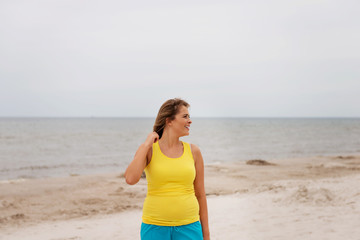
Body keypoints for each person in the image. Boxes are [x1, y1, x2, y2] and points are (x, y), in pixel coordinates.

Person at [125, 98, 210, 240]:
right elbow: (130, 179)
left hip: (190, 226)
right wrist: (146, 144)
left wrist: (206, 235)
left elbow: (200, 195)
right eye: (185, 116)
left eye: (189, 116)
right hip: (154, 227)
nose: (190, 121)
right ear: (169, 120)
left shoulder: (194, 151)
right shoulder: (149, 149)